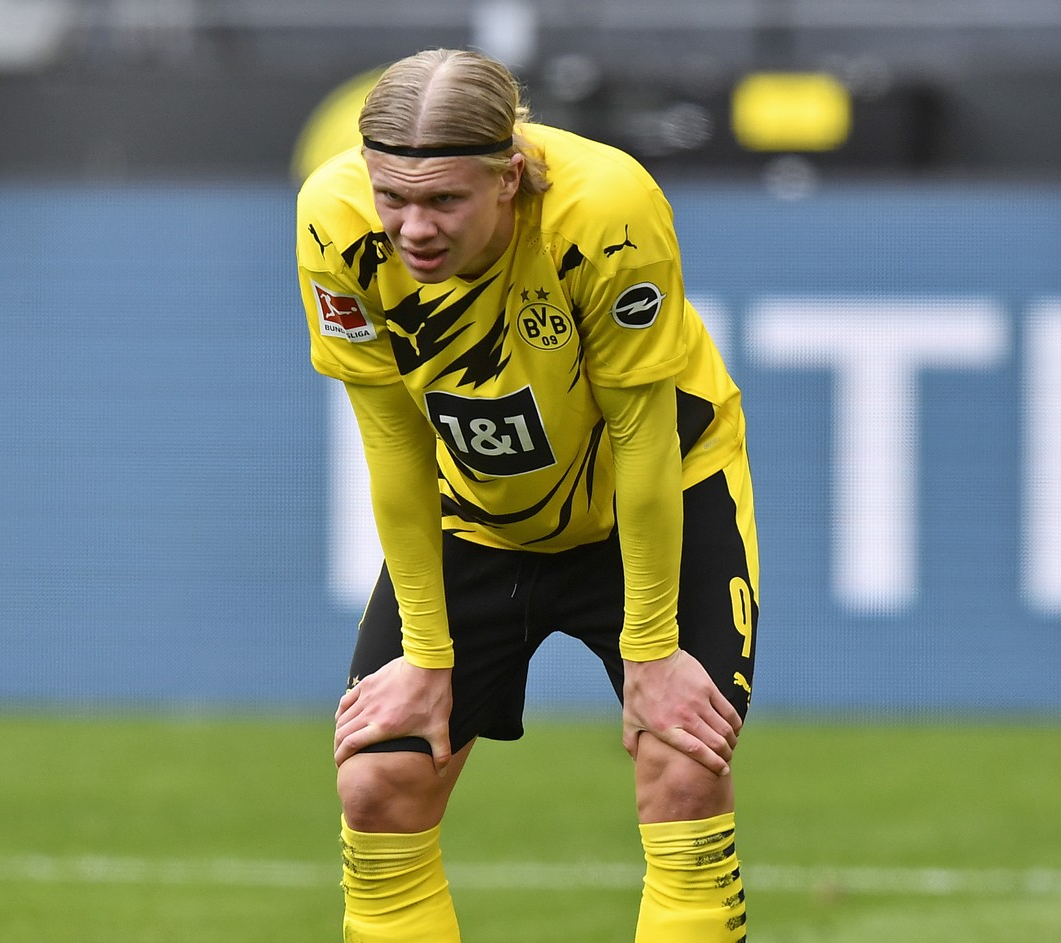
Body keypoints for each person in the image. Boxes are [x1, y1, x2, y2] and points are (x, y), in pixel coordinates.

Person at [296, 48, 761, 942]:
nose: (411, 228)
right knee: (379, 779)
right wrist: (427, 652)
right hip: (475, 511)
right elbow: (392, 434)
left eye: (443, 201)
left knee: (684, 763)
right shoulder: (333, 218)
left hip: (649, 494)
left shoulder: (607, 211)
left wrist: (654, 652)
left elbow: (640, 432)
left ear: (511, 177)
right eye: (393, 196)